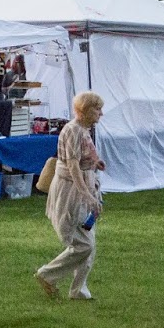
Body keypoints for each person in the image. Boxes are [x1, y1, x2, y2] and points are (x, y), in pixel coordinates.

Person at [36, 91, 107, 300]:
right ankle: (47, 274)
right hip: (71, 189)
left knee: (88, 240)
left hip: (84, 184)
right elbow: (73, 166)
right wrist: (86, 194)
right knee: (83, 243)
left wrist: (95, 163)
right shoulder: (72, 130)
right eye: (97, 109)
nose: (100, 114)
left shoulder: (84, 130)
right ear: (84, 110)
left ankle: (79, 290)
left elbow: (83, 159)